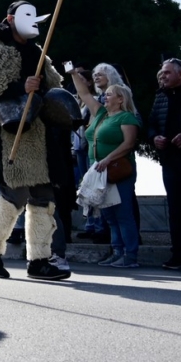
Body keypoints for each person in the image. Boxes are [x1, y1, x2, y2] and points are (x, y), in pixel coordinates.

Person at [0, 0, 73, 282]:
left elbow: (53, 87)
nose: (35, 22)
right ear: (10, 19)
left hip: (40, 135)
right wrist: (20, 86)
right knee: (15, 193)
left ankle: (39, 260)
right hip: (8, 134)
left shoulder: (37, 53)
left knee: (43, 196)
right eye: (27, 15)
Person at [74, 75, 142, 268]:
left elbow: (128, 144)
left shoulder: (127, 117)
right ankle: (117, 251)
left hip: (117, 170)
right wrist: (72, 74)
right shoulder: (102, 114)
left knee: (123, 213)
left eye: (110, 94)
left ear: (121, 99)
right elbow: (84, 93)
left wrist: (107, 159)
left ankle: (130, 255)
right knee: (109, 215)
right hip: (99, 170)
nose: (105, 97)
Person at [146, 59, 181, 270]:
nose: (163, 76)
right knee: (175, 209)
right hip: (170, 160)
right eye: (162, 73)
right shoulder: (160, 96)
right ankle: (179, 254)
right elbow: (151, 123)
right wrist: (154, 138)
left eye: (167, 73)